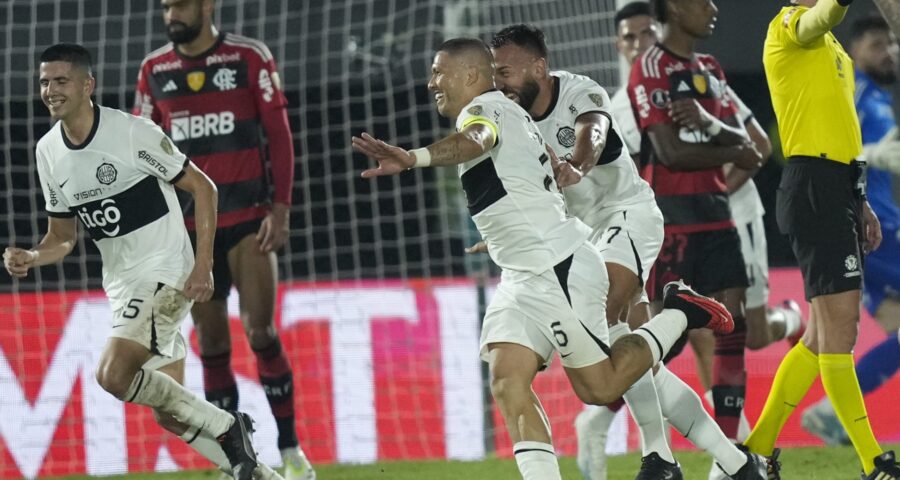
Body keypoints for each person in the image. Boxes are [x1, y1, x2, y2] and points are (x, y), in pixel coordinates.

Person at [352, 37, 736, 480]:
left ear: (471, 76)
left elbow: (479, 140)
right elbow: (530, 190)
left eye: (438, 72)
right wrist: (500, 238)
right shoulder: (517, 115)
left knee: (601, 385)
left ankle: (680, 315)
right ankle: (688, 456)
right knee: (507, 378)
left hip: (562, 264)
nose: (430, 82)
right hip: (524, 270)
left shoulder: (487, 111)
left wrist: (413, 157)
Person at [489, 23, 765, 480]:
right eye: (495, 74)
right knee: (627, 353)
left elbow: (593, 133)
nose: (500, 83)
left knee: (606, 313)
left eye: (506, 72)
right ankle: (732, 462)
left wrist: (576, 165)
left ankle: (662, 442)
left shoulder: (580, 91)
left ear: (538, 66)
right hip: (572, 238)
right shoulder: (507, 116)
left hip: (626, 214)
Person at [2, 43, 280, 480]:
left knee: (113, 374)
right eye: (43, 82)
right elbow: (62, 237)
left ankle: (228, 425)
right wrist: (32, 257)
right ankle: (265, 475)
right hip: (122, 285)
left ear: (87, 85)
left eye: (61, 80)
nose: (50, 90)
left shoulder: (131, 133)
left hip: (166, 271)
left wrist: (202, 264)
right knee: (169, 413)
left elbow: (204, 188)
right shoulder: (48, 152)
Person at [132, 1, 314, 478]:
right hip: (190, 231)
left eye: (180, 4)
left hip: (250, 217)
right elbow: (143, 150)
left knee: (260, 331)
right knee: (211, 345)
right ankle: (237, 458)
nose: (171, 12)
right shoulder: (153, 69)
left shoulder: (248, 57)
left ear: (208, 4)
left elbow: (279, 134)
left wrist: (281, 207)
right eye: (165, 5)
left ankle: (292, 450)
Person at [743, 1, 900, 478]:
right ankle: (874, 462)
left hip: (837, 189)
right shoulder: (790, 27)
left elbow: (843, 129)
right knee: (839, 333)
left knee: (819, 336)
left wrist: (861, 199)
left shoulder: (834, 50)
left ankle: (755, 449)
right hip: (811, 186)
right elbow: (822, 16)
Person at [630, 0, 762, 447]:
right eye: (702, 1)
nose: (713, 8)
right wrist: (729, 145)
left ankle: (730, 454)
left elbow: (753, 147)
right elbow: (670, 152)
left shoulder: (709, 66)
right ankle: (649, 444)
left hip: (718, 216)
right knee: (667, 341)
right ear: (675, 6)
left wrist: (709, 123)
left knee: (733, 327)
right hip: (672, 222)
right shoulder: (651, 68)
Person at [800, 14, 900, 448]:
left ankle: (829, 412)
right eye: (878, 45)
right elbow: (827, 147)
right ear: (856, 50)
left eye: (892, 44)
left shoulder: (876, 95)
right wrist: (872, 154)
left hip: (879, 223)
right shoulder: (853, 90)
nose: (889, 53)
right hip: (872, 225)